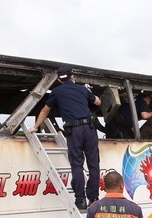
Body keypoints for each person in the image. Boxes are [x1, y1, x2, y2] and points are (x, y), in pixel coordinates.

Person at [30, 69, 102, 210]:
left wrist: (35, 127)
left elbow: (45, 111)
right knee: (93, 164)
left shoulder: (57, 92)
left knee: (77, 165)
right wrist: (88, 91)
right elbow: (98, 102)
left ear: (59, 80)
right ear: (72, 76)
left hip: (74, 130)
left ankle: (80, 200)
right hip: (89, 129)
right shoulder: (82, 89)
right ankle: (93, 198)